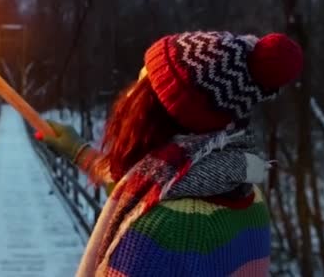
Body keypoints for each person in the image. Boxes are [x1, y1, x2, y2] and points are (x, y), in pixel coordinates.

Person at [38, 31, 303, 276]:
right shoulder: (246, 193)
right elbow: (148, 191)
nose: (130, 93)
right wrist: (78, 151)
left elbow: (156, 214)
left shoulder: (165, 230)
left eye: (144, 81)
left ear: (156, 113)